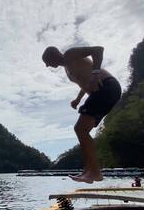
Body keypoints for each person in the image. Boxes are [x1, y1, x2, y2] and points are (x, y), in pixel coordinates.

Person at [42, 46, 121, 183]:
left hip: (107, 87)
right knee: (82, 130)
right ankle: (89, 170)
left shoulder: (70, 55)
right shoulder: (68, 69)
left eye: (47, 61)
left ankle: (95, 173)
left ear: (53, 55)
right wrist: (78, 99)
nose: (47, 65)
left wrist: (96, 73)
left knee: (80, 129)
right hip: (101, 92)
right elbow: (84, 83)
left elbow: (98, 50)